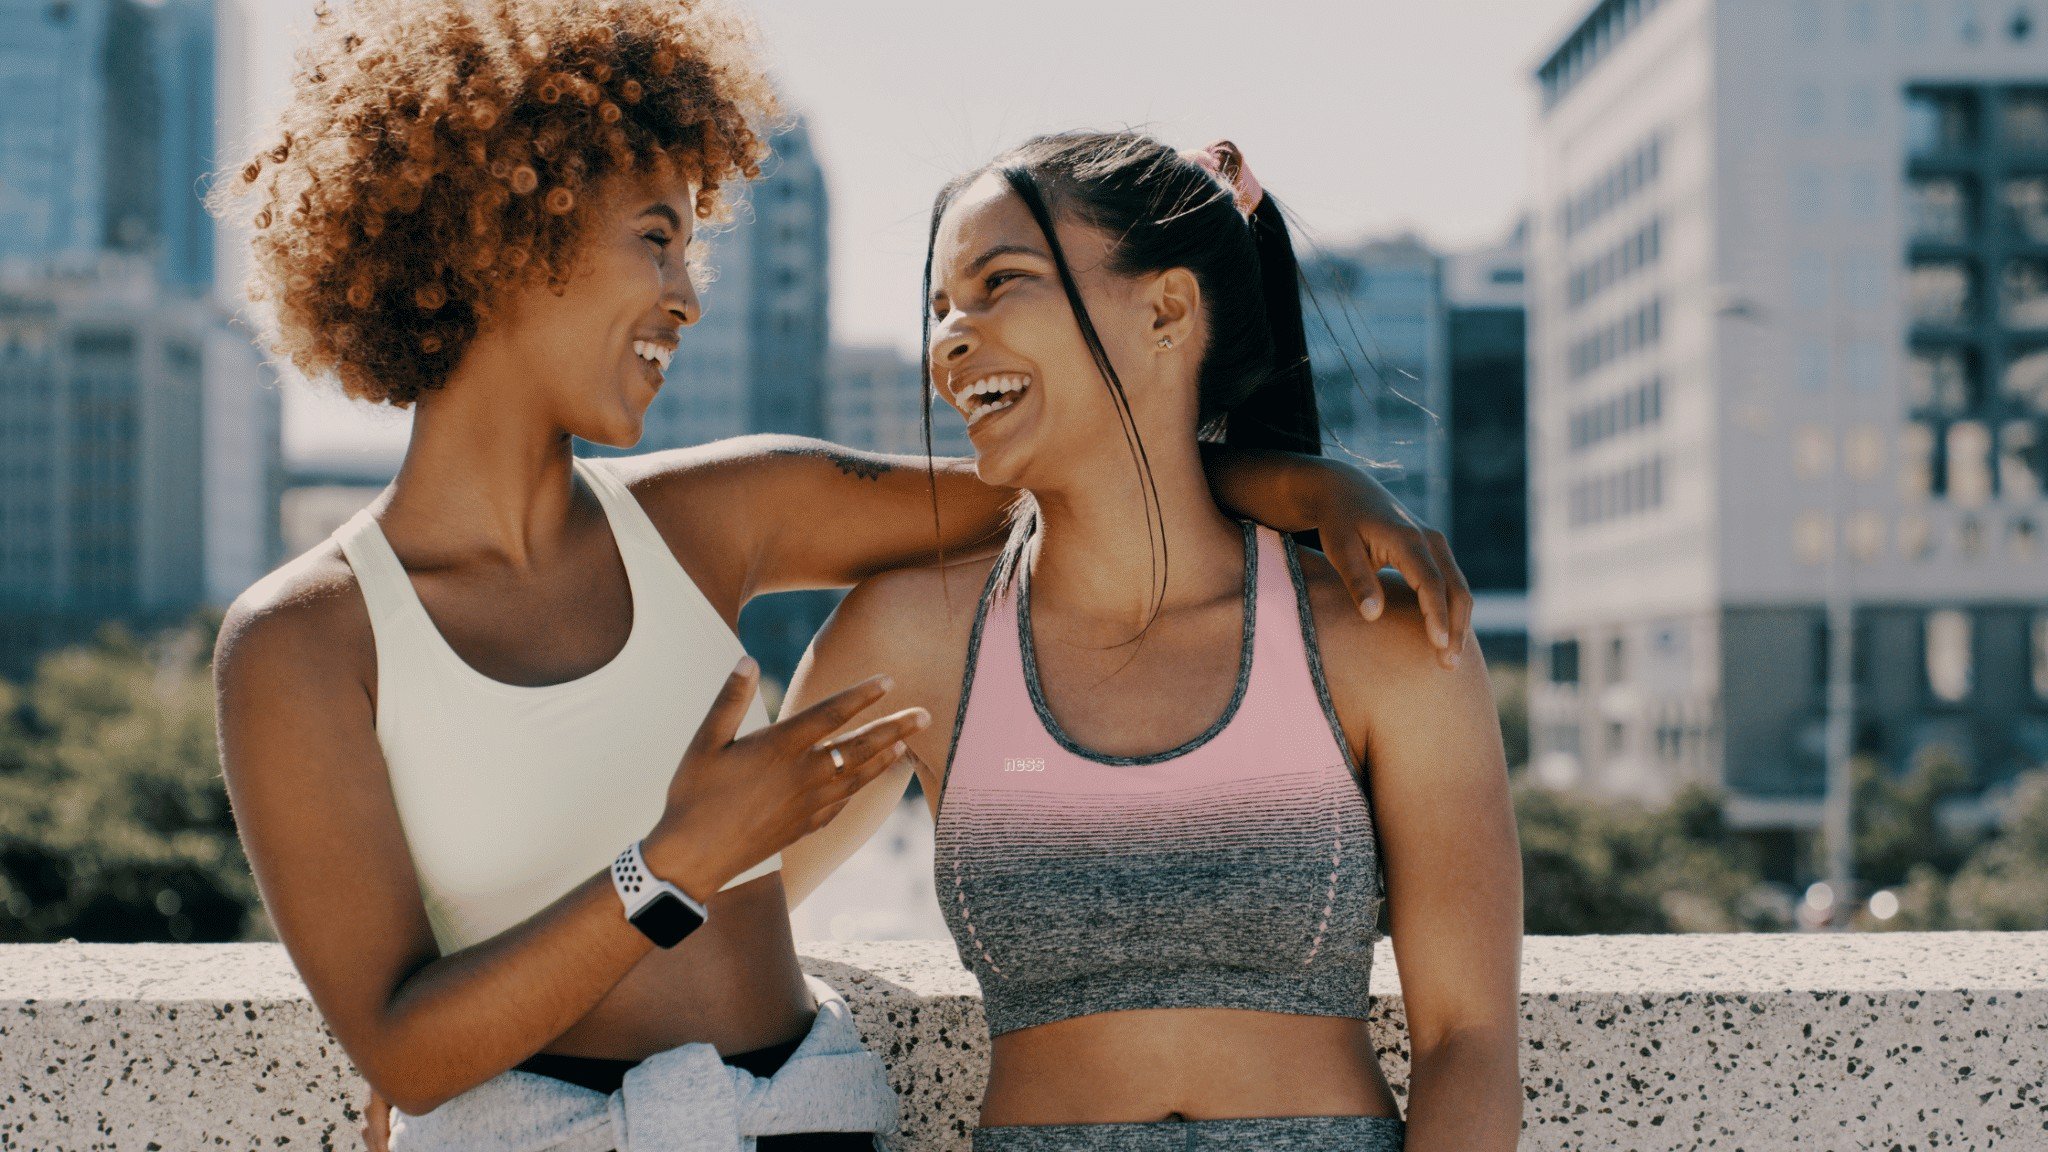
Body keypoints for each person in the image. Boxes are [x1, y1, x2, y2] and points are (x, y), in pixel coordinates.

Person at [204, 4, 1477, 1150]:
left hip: (802, 1121)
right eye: (657, 239)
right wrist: (679, 861)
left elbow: (1079, 453)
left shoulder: (722, 515)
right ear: (504, 232)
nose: (686, 293)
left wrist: (1313, 488)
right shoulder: (303, 641)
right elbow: (403, 1047)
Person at [778, 133, 1524, 1152]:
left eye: (1000, 283)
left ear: (1166, 309)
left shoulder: (1377, 640)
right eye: (940, 307)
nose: (949, 337)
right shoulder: (909, 639)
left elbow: (1468, 1039)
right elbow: (726, 905)